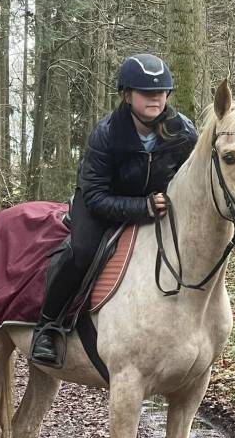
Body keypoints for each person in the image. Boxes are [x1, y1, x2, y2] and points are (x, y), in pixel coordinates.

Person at [31, 53, 198, 365]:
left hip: (155, 205)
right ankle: (47, 326)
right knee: (80, 251)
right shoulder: (106, 133)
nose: (155, 98)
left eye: (161, 92)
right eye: (146, 92)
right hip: (100, 203)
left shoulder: (184, 133)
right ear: (127, 95)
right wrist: (142, 206)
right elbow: (96, 196)